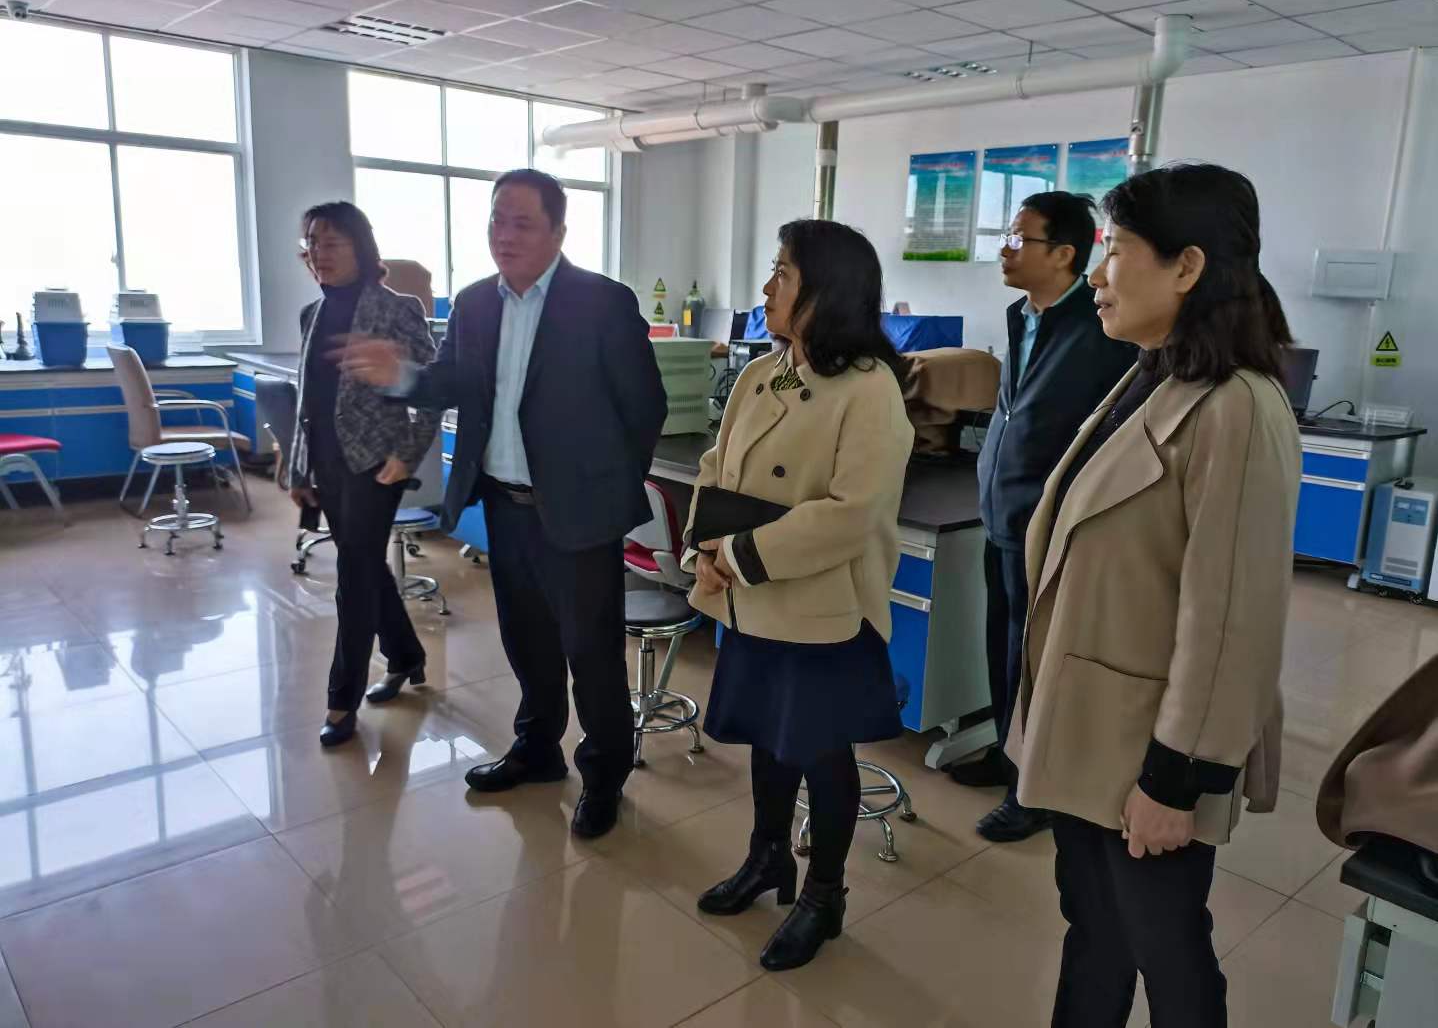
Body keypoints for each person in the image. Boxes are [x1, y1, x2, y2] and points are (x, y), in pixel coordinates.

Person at [1010, 163, 1300, 1027]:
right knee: (1094, 928)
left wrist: (1176, 782)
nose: (1099, 274)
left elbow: (1231, 619)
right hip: (1092, 732)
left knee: (1168, 954)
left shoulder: (1238, 407)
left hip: (1149, 756)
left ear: (1187, 266)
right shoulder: (1156, 376)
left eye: (1118, 251)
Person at [338, 168, 666, 840]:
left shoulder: (602, 302)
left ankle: (604, 773)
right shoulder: (474, 304)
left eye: (522, 222)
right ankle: (538, 748)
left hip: (580, 516)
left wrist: (601, 488)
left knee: (592, 655)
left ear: (558, 231)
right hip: (506, 508)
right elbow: (449, 382)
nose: (504, 235)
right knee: (528, 642)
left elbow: (644, 408)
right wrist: (401, 375)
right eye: (496, 220)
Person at [687, 219, 914, 972]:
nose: (766, 287)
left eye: (782, 273)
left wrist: (737, 556)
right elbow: (716, 466)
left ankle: (824, 895)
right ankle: (766, 857)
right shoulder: (765, 371)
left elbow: (851, 515)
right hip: (754, 596)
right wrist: (702, 549)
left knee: (820, 749)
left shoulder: (870, 389)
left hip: (824, 609)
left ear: (828, 289)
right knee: (767, 735)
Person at [953, 191, 1135, 844]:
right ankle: (1006, 752)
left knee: (1033, 659)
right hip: (1002, 510)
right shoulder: (1022, 315)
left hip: (1049, 523)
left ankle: (1031, 788)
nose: (1005, 249)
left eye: (1018, 238)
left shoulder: (1100, 330)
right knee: (1000, 645)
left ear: (1063, 254)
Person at [288, 202, 440, 748]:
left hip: (378, 463)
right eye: (312, 243)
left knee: (353, 574)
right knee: (367, 564)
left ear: (360, 247)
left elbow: (432, 388)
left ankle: (341, 700)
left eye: (332, 242)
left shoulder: (398, 309)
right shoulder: (312, 313)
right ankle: (405, 655)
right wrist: (299, 466)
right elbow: (308, 397)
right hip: (326, 461)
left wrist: (409, 454)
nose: (319, 254)